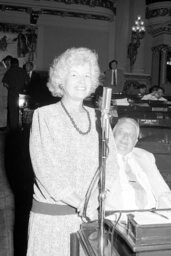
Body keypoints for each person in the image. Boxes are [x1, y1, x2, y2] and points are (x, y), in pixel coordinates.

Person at [26, 47, 117, 256]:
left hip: (91, 219)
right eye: (74, 75)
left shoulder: (100, 117)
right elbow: (45, 170)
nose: (81, 81)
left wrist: (100, 197)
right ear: (60, 80)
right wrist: (82, 203)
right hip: (52, 220)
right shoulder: (44, 116)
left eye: (87, 75)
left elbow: (111, 165)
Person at [105, 117, 171, 211]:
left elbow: (163, 191)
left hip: (152, 214)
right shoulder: (102, 158)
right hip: (119, 217)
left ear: (135, 142)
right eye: (121, 132)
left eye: (131, 135)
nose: (126, 137)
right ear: (112, 135)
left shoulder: (146, 157)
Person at [2, 57, 28, 130]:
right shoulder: (23, 71)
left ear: (11, 63)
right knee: (22, 111)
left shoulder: (9, 71)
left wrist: (10, 88)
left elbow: (5, 84)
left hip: (12, 95)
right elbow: (27, 82)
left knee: (12, 112)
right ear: (18, 63)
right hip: (22, 95)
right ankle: (22, 128)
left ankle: (14, 129)